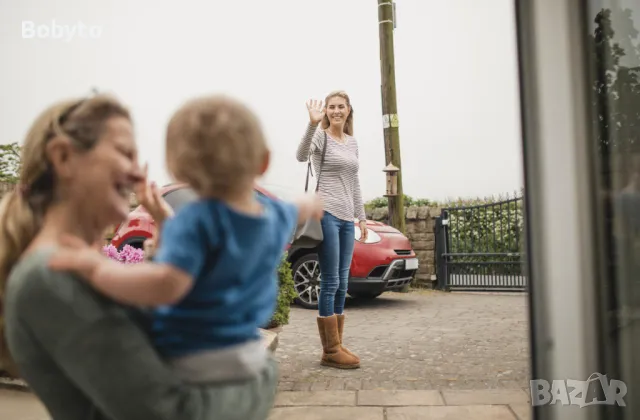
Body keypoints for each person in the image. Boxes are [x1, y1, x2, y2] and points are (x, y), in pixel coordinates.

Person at [0, 93, 318, 420]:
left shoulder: (67, 267)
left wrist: (172, 233)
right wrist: (263, 374)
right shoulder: (50, 276)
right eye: (126, 153)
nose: (139, 172)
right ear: (64, 157)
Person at [296, 90, 366, 369]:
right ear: (326, 111)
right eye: (331, 107)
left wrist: (361, 216)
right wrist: (312, 123)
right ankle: (330, 349)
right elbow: (301, 156)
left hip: (347, 218)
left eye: (341, 106)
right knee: (330, 282)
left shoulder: (352, 142)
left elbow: (355, 181)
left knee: (343, 283)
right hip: (326, 214)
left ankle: (336, 343)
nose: (336, 111)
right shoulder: (320, 136)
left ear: (349, 110)